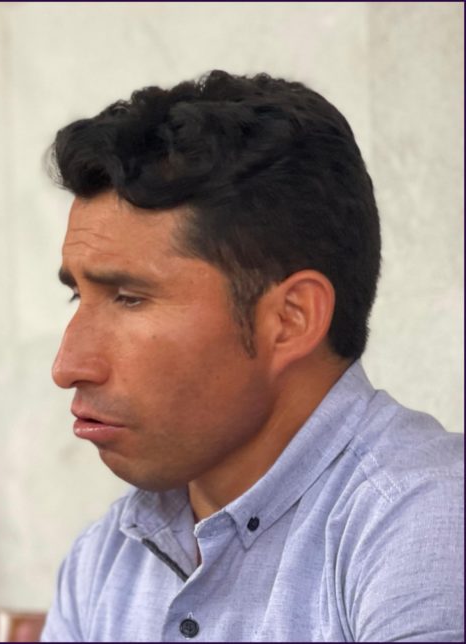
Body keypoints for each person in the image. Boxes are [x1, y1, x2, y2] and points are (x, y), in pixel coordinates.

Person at [41, 70, 464, 641]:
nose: (68, 365)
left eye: (129, 298)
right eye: (78, 294)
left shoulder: (431, 518)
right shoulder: (102, 559)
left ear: (291, 319)